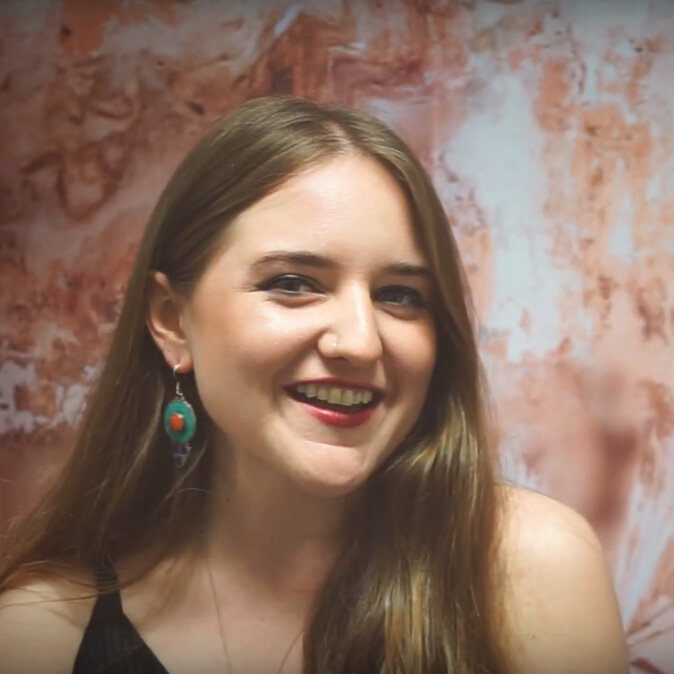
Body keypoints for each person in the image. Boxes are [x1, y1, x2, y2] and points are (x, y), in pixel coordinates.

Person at [0, 96, 628, 674]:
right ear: (172, 322)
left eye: (399, 295)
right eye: (294, 283)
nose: (359, 340)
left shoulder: (532, 570)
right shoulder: (40, 635)